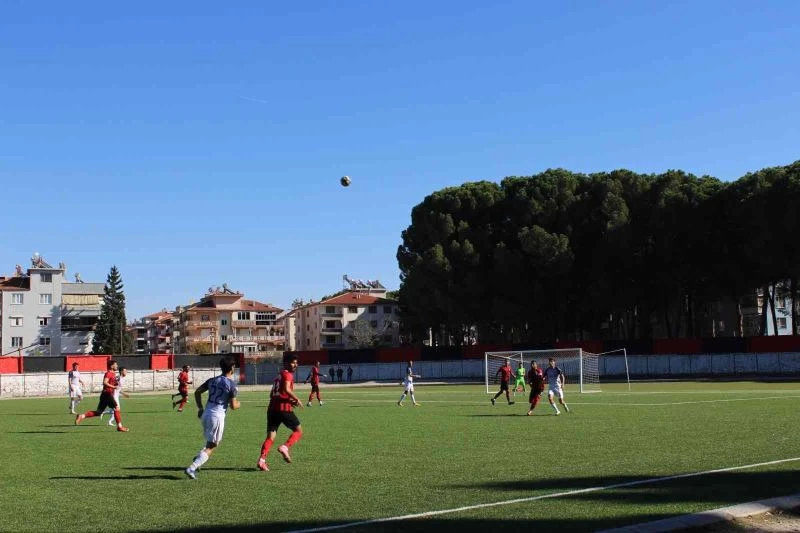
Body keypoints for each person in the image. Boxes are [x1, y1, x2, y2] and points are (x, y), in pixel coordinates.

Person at [184, 356, 240, 479]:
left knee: (210, 442)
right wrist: (239, 404)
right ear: (232, 368)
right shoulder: (231, 385)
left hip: (206, 414)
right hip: (217, 416)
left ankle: (198, 458)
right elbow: (233, 406)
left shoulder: (212, 380)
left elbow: (197, 391)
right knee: (212, 446)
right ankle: (192, 467)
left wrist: (200, 408)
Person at [257, 355, 304, 472]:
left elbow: (272, 394)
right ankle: (285, 447)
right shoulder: (288, 374)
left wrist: (289, 400)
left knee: (270, 437)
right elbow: (287, 389)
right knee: (298, 431)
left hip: (272, 409)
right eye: (293, 363)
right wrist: (296, 399)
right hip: (284, 409)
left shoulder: (278, 375)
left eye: (296, 363)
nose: (295, 365)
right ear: (286, 363)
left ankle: (262, 460)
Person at [75, 360, 129, 432]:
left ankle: (81, 416)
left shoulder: (113, 374)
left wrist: (116, 387)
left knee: (98, 412)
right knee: (116, 408)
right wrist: (113, 387)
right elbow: (104, 382)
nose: (117, 366)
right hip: (107, 394)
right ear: (111, 366)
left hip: (105, 394)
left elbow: (112, 383)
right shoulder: (109, 373)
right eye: (115, 365)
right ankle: (120, 427)